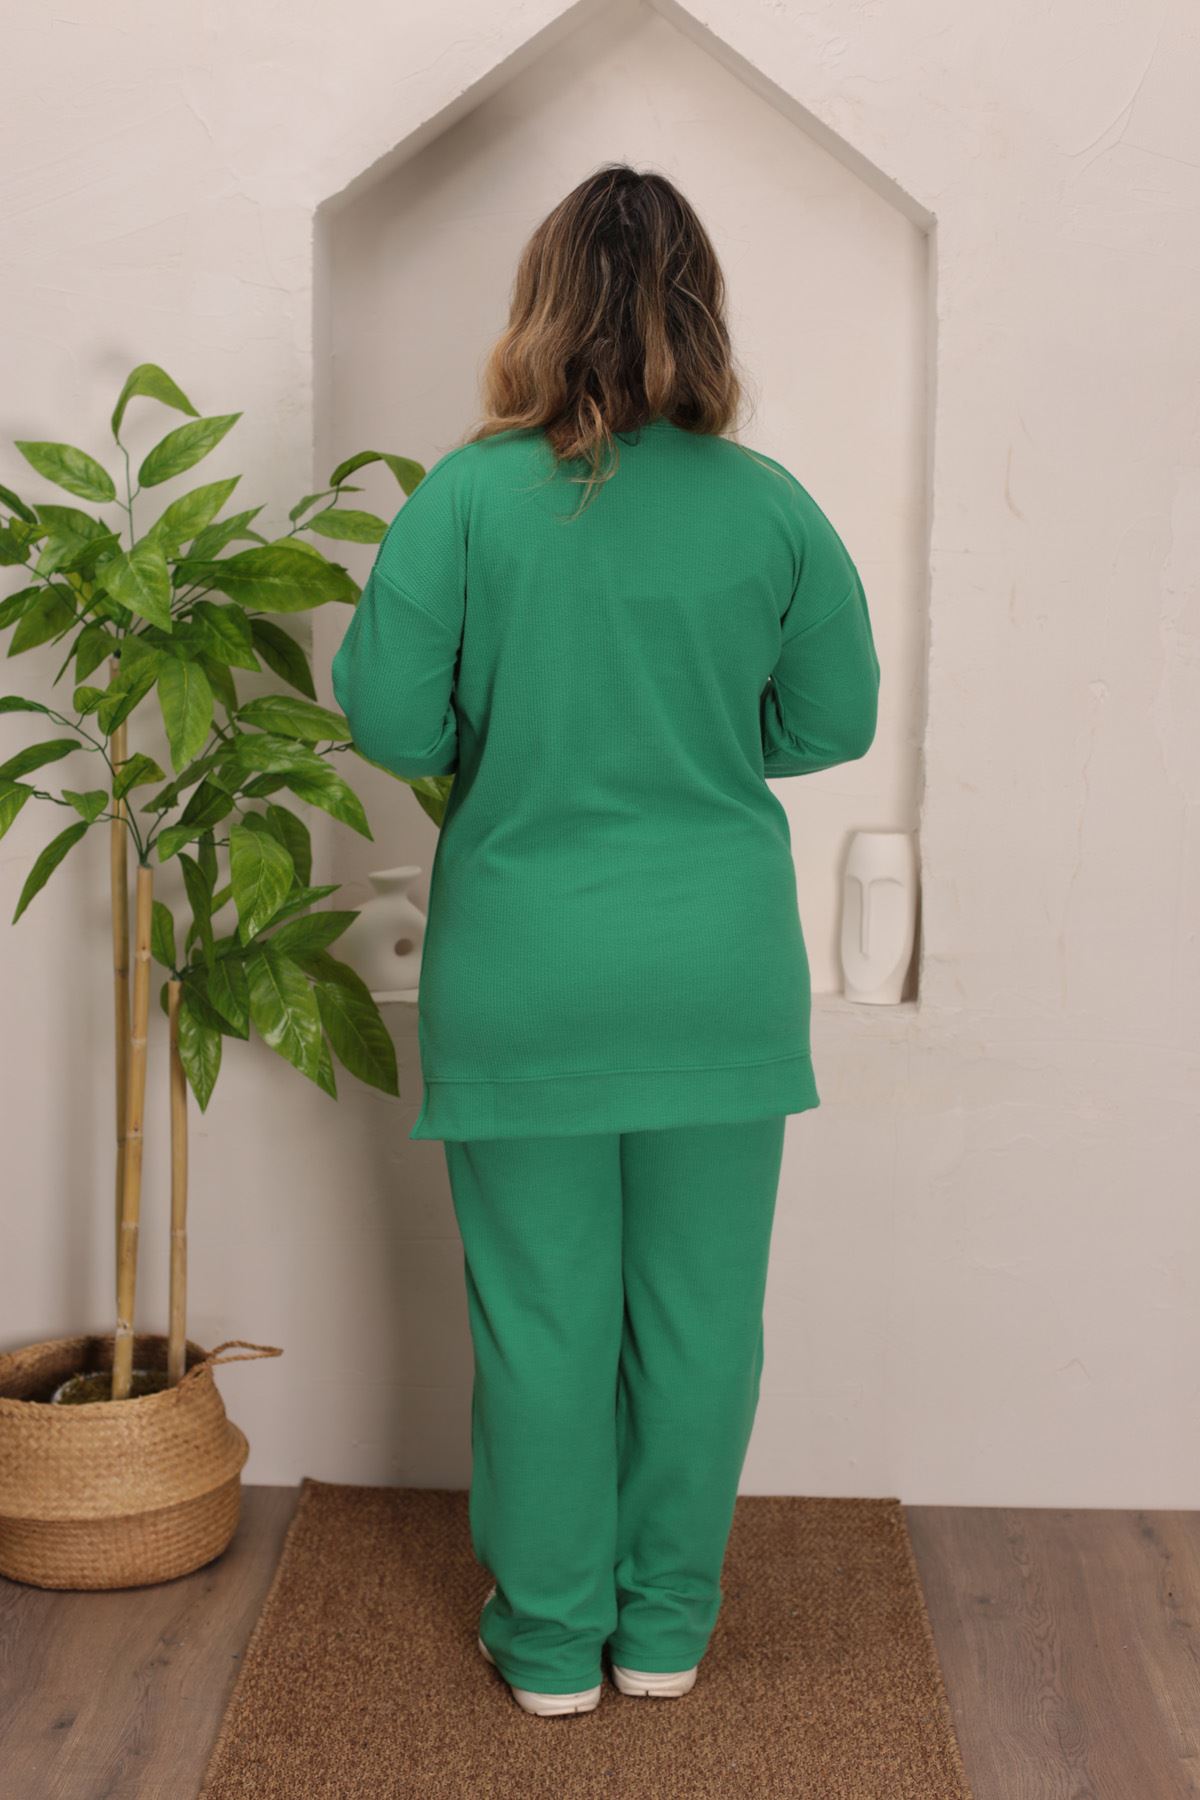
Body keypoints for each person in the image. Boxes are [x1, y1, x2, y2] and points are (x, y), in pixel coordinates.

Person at [331, 163, 880, 1718]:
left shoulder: (462, 498)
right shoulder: (770, 505)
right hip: (717, 972)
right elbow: (832, 720)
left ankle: (551, 1643)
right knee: (702, 1323)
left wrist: (523, 736)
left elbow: (389, 720)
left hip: (526, 973)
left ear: (541, 304)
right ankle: (666, 1632)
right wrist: (693, 740)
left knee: (543, 1320)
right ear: (702, 311)